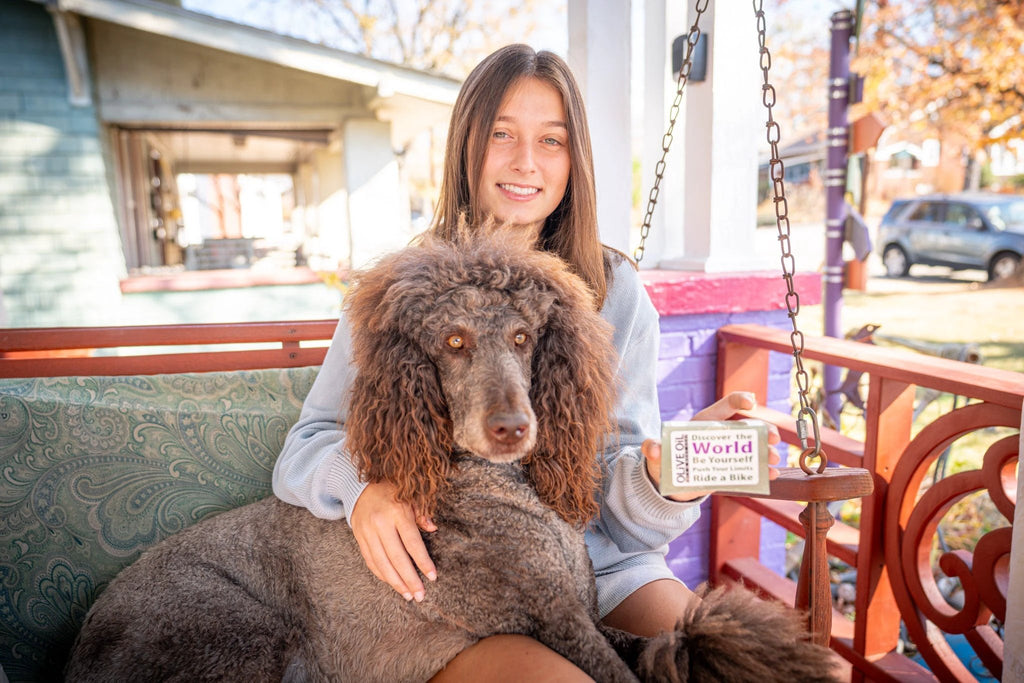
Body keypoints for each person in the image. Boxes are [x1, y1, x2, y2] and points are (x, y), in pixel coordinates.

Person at [273, 43, 780, 681]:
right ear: (468, 145)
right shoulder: (402, 288)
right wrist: (361, 492)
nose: (524, 162)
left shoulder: (614, 290)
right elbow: (306, 446)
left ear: (575, 160)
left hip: (603, 569)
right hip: (467, 577)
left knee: (727, 668)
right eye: (502, 135)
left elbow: (622, 517)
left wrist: (664, 481)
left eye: (551, 141)